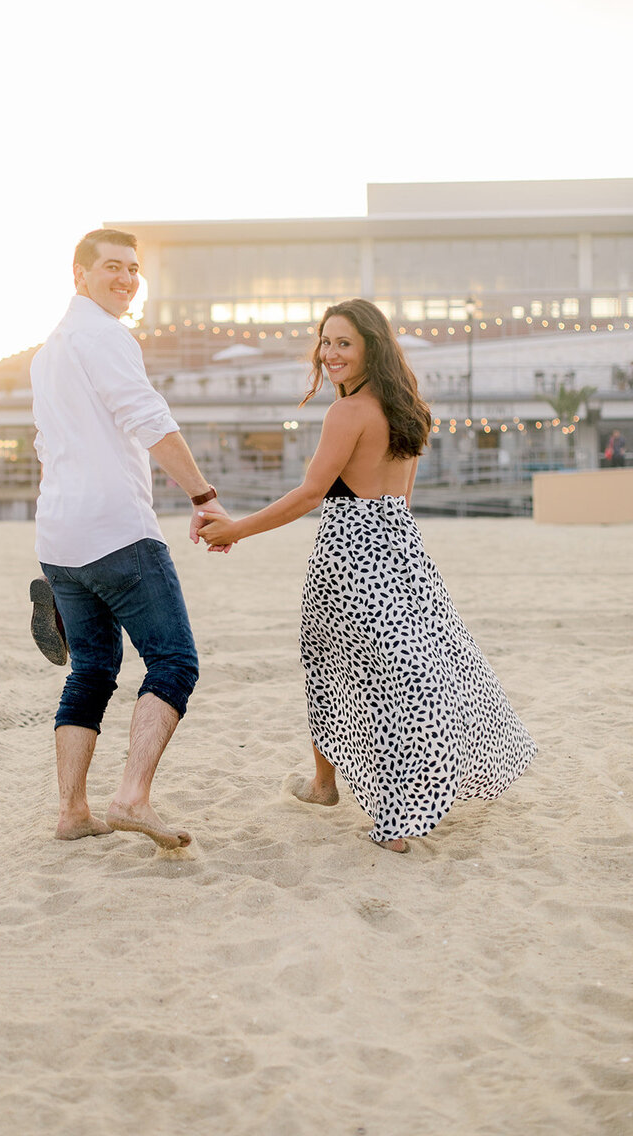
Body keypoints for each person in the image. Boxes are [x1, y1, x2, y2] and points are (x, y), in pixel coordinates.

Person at [199, 299, 537, 853]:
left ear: (370, 348)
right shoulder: (408, 410)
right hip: (402, 551)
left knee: (339, 670)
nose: (329, 354)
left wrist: (236, 529)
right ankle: (327, 784)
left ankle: (364, 802)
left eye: (343, 344)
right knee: (415, 671)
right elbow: (401, 497)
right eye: (325, 342)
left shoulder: (347, 413)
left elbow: (311, 493)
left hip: (349, 559)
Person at [30, 228, 231, 849]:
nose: (125, 279)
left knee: (90, 669)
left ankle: (73, 813)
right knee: (173, 662)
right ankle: (132, 798)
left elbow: (49, 445)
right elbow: (148, 420)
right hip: (117, 531)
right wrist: (204, 496)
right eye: (112, 267)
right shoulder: (105, 337)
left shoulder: (48, 351)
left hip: (59, 537)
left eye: (133, 269)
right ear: (79, 273)